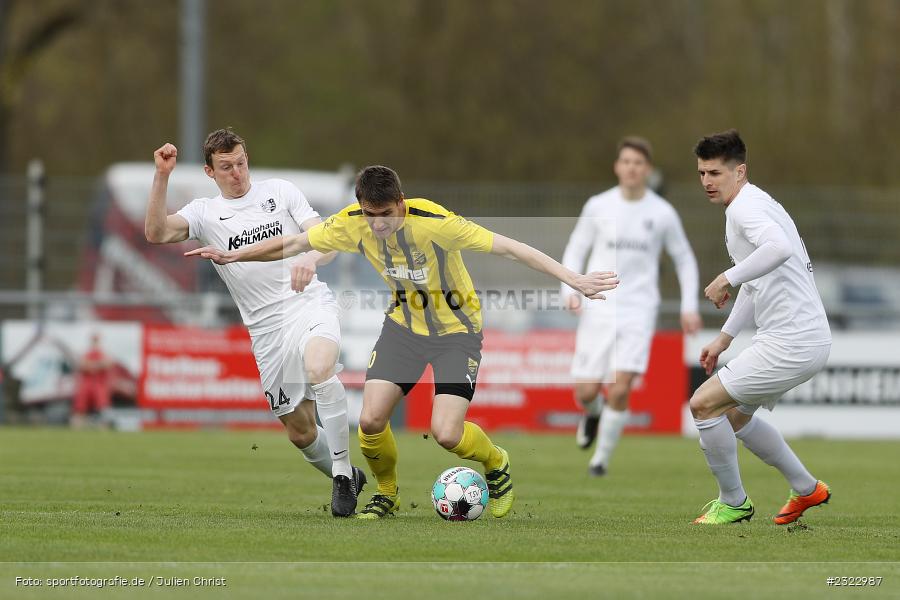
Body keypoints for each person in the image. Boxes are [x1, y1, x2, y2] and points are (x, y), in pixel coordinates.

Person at [186, 165, 619, 519]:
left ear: (402, 203)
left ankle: (495, 462)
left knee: (446, 433)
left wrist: (574, 279)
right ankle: (387, 495)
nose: (378, 225)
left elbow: (510, 248)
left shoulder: (436, 223)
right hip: (403, 329)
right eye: (370, 215)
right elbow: (295, 241)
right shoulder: (352, 224)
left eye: (386, 215)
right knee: (371, 421)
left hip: (456, 333)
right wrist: (233, 255)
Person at [145, 128, 366, 517]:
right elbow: (156, 232)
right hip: (265, 331)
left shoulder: (280, 192)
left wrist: (309, 259)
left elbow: (325, 240)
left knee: (319, 368)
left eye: (241, 163)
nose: (237, 173)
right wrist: (162, 175)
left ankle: (344, 477)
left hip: (307, 304)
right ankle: (343, 472)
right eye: (226, 167)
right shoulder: (204, 213)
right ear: (210, 172)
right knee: (300, 431)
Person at [689, 129, 832, 524]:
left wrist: (726, 277)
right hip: (801, 337)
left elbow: (777, 250)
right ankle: (807, 489)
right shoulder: (758, 202)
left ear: (740, 171)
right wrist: (723, 338)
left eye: (715, 173)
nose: (706, 182)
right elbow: (757, 282)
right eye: (701, 173)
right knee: (734, 418)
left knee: (703, 405)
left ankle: (733, 503)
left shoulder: (744, 210)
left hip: (793, 340)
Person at [561, 137, 701, 476]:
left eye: (638, 163)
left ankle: (600, 461)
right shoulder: (598, 205)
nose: (632, 168)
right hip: (599, 305)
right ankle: (593, 414)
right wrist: (569, 288)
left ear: (647, 170)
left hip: (639, 309)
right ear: (617, 167)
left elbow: (684, 259)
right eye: (626, 162)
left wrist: (688, 305)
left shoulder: (662, 212)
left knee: (621, 386)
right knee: (586, 391)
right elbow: (576, 248)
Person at [70, 332, 113, 428]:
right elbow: (82, 364)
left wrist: (92, 365)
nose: (95, 342)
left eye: (96, 340)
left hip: (99, 383)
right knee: (80, 406)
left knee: (102, 405)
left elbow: (108, 363)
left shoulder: (103, 353)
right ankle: (77, 425)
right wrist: (97, 365)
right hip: (87, 383)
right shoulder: (87, 353)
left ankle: (103, 426)